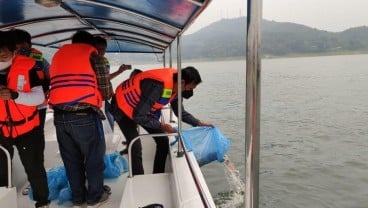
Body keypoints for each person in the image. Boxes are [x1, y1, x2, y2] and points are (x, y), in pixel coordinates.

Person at [48, 30, 113, 208]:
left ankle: (78, 199)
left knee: (71, 160)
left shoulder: (58, 56)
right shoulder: (95, 58)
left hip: (59, 117)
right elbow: (107, 92)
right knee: (93, 158)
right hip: (84, 116)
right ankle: (94, 198)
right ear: (91, 45)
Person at [109, 66, 212, 175]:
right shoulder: (156, 86)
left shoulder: (177, 90)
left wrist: (198, 123)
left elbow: (180, 112)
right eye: (189, 88)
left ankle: (158, 173)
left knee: (163, 142)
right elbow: (139, 116)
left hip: (141, 109)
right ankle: (139, 178)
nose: (189, 92)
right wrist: (162, 126)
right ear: (182, 82)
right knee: (135, 144)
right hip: (122, 107)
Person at [0, 31, 50, 208]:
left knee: (34, 168)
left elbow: (39, 98)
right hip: (1, 129)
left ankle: (42, 202)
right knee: (1, 169)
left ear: (14, 53)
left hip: (28, 129)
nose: (1, 57)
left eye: (4, 53)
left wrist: (14, 95)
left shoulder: (29, 68)